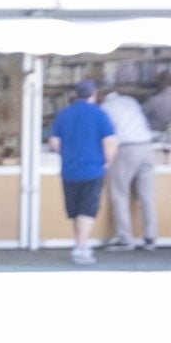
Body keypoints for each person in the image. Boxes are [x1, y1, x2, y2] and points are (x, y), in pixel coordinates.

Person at [49, 78, 117, 266]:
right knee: (87, 209)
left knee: (75, 210)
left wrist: (69, 153)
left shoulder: (63, 114)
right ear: (94, 95)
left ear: (75, 95)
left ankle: (80, 244)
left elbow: (55, 142)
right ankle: (81, 247)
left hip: (69, 169)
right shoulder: (100, 114)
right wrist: (108, 161)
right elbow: (109, 141)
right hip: (93, 168)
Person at [101, 85, 159, 250]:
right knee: (147, 196)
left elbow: (108, 134)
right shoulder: (130, 101)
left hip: (126, 148)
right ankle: (151, 237)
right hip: (147, 147)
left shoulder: (106, 107)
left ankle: (125, 238)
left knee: (120, 193)